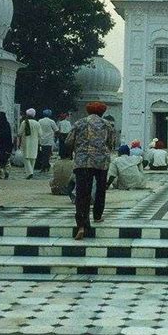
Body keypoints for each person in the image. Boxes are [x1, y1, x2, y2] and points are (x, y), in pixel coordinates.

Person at [65, 101, 115, 240]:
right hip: (101, 162)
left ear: (88, 111)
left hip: (82, 161)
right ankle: (97, 216)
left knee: (82, 193)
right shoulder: (107, 125)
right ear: (102, 112)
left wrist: (78, 150)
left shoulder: (79, 123)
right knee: (100, 189)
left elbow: (68, 142)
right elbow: (112, 143)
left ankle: (81, 225)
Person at [18, 108, 42, 179]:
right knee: (33, 158)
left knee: (26, 158)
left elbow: (19, 133)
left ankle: (30, 172)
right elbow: (40, 134)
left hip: (26, 142)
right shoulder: (37, 123)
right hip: (35, 143)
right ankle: (31, 172)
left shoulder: (24, 122)